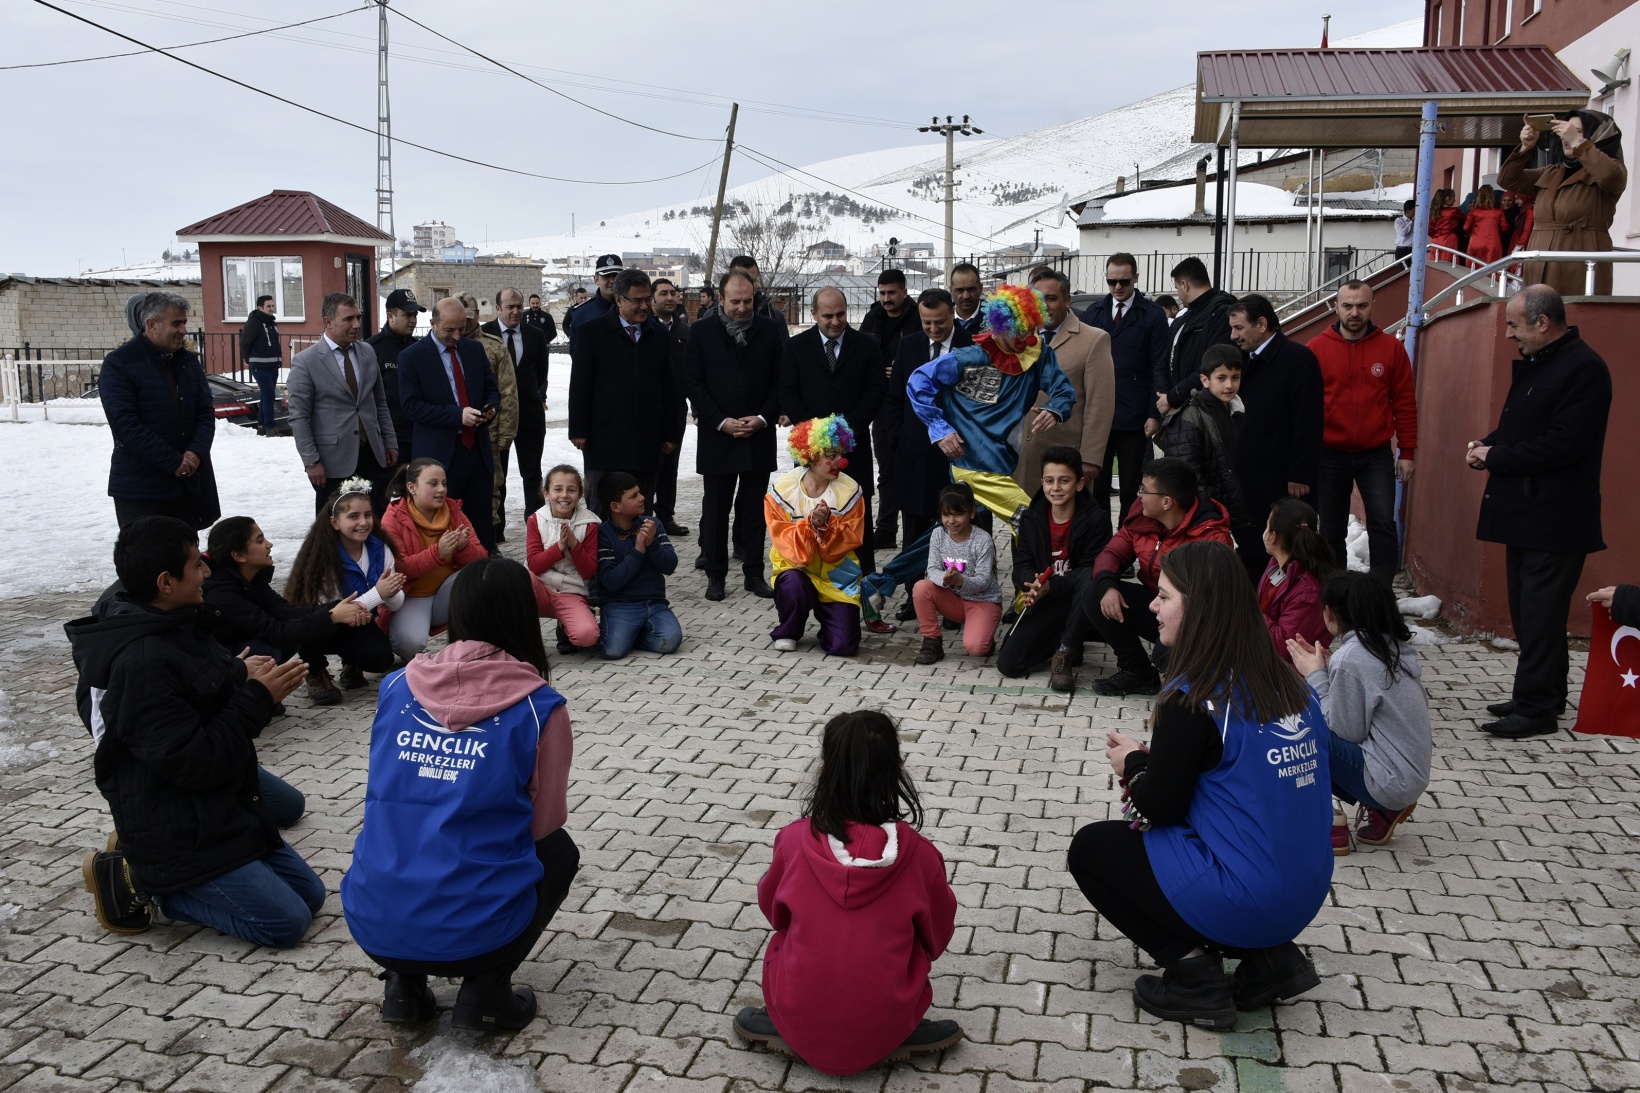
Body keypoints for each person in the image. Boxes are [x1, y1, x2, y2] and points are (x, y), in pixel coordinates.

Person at [1067, 540, 1332, 1029]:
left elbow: (1159, 809)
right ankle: (1270, 959)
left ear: (1200, 608)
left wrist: (1135, 767)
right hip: (1305, 891)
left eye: (1164, 596)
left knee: (1091, 850)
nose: (1152, 605)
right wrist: (1155, 761)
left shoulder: (1194, 698)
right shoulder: (1289, 682)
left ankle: (1194, 977)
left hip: (1251, 898)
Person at [341, 557, 578, 1032]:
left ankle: (403, 987)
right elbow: (543, 822)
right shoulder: (539, 707)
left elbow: (386, 784)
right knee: (558, 852)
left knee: (406, 830)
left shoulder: (395, 686)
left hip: (372, 918)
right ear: (522, 616)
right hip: (476, 929)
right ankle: (487, 987)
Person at [66, 516, 320, 945]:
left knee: (310, 896)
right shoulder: (143, 660)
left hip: (217, 801)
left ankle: (151, 860)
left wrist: (238, 673)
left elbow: (197, 690)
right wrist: (258, 697)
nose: (207, 571)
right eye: (196, 565)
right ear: (166, 582)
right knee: (286, 924)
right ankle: (146, 884)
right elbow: (195, 761)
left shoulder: (178, 619)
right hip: (179, 817)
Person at [734, 709, 960, 1074]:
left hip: (799, 1011)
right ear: (896, 768)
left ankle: (789, 1023)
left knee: (788, 934)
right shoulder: (920, 855)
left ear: (825, 768)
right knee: (914, 934)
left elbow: (773, 912)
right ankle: (894, 1028)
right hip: (887, 1018)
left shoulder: (792, 840)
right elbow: (937, 937)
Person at [1468, 285, 1611, 739]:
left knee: (1541, 615)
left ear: (1542, 322)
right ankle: (1543, 693)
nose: (1509, 334)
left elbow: (1565, 444)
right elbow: (1521, 428)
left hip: (1555, 517)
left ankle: (1536, 712)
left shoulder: (1583, 369)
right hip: (1527, 515)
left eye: (1514, 324)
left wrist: (1497, 457)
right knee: (1530, 613)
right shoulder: (1542, 364)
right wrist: (1488, 444)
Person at [1289, 571, 1431, 855]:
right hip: (1408, 777)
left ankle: (1329, 824)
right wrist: (1328, 671)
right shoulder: (1389, 645)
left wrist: (1316, 676)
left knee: (1298, 731)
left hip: (1390, 780)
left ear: (1332, 613)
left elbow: (1344, 731)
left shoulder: (1352, 657)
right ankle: (1383, 810)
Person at [204, 505, 397, 707]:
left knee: (377, 654)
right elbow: (276, 631)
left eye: (368, 515)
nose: (269, 544)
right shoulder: (223, 594)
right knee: (273, 646)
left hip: (248, 644)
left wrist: (342, 608)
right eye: (260, 541)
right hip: (222, 662)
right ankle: (250, 690)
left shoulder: (251, 580)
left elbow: (287, 612)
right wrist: (333, 616)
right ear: (239, 556)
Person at [1086, 458, 1233, 696]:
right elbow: (1112, 553)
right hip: (1158, 604)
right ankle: (1137, 672)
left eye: (1144, 490)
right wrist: (1107, 585)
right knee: (1095, 592)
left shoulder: (1212, 538)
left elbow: (1211, 604)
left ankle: (1198, 691)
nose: (1139, 495)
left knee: (1166, 655)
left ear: (1166, 502)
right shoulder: (1143, 518)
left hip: (1195, 622)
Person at [682, 269, 782, 602]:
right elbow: (693, 382)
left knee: (754, 510)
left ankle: (754, 573)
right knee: (716, 510)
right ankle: (716, 574)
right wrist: (721, 421)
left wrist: (764, 418)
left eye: (748, 301)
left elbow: (780, 381)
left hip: (758, 435)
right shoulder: (701, 331)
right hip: (718, 436)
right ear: (721, 299)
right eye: (735, 302)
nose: (742, 308)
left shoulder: (769, 330)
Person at [1309, 281, 1418, 586]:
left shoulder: (1391, 348)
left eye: (1361, 305)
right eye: (1348, 305)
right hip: (1329, 453)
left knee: (1383, 524)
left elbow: (1406, 402)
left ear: (1372, 306)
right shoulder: (1317, 348)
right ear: (1336, 306)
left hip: (1375, 454)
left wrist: (1407, 451)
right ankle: (1337, 598)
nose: (1354, 312)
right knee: (1330, 530)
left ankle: (1380, 596)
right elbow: (1305, 406)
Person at [781, 286, 885, 573]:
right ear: (813, 313)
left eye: (841, 314)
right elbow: (788, 392)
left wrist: (843, 432)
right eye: (828, 315)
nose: (836, 321)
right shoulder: (795, 347)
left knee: (855, 520)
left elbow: (875, 392)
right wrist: (817, 434)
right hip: (810, 452)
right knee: (810, 518)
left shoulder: (867, 346)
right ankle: (810, 583)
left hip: (853, 450)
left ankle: (865, 589)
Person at [996, 447, 1111, 691]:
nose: (1055, 488)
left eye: (1064, 480)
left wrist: (1053, 585)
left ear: (1080, 484)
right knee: (1009, 664)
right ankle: (1065, 636)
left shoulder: (1096, 518)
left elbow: (1092, 567)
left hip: (1082, 599)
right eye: (1049, 481)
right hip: (1049, 599)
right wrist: (1031, 582)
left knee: (1089, 579)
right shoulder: (1030, 518)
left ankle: (1065, 653)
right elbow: (1022, 563)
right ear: (1042, 482)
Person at [1226, 294, 1324, 578]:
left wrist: (1301, 474)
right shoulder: (1240, 361)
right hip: (1247, 476)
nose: (1233, 335)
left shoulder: (1298, 359)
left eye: (1239, 328)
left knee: (1291, 552)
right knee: (1254, 550)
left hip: (1285, 480)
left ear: (1262, 324)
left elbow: (1308, 421)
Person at [101, 291, 219, 529]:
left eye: (184, 322)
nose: (183, 330)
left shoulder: (188, 362)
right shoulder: (120, 363)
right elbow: (126, 425)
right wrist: (172, 461)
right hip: (142, 490)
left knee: (187, 560)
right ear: (151, 324)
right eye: (176, 323)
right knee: (149, 559)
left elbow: (205, 412)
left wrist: (195, 452)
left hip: (188, 486)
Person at [569, 268, 682, 513]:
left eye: (647, 300)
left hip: (646, 442)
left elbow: (669, 388)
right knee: (602, 510)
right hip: (604, 442)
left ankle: (638, 552)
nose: (644, 306)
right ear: (619, 299)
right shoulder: (592, 333)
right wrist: (578, 430)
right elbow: (580, 385)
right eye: (637, 300)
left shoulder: (659, 337)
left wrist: (671, 433)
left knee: (640, 511)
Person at [284, 479, 407, 700]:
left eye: (368, 515)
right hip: (321, 623)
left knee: (381, 658)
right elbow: (328, 607)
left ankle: (352, 662)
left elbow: (396, 603)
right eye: (353, 516)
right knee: (308, 625)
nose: (363, 522)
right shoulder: (323, 555)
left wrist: (392, 592)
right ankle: (316, 671)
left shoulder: (380, 549)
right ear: (334, 522)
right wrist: (378, 594)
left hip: (357, 621)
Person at [397, 297, 501, 552]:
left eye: (461, 329)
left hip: (476, 449)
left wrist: (490, 408)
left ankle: (483, 573)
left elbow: (491, 389)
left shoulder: (474, 350)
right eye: (449, 330)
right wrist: (457, 415)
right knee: (442, 521)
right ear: (432, 324)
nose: (457, 335)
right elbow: (411, 406)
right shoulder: (412, 357)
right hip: (439, 454)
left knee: (480, 520)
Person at [288, 293, 399, 518]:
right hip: (332, 463)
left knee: (377, 519)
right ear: (328, 322)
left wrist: (389, 441)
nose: (357, 324)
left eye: (358, 317)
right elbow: (299, 417)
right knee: (335, 525)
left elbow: (379, 402)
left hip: (373, 456)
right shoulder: (306, 361)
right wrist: (312, 461)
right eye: (348, 319)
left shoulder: (367, 352)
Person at [766, 415, 866, 657]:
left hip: (837, 574)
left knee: (844, 647)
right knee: (793, 584)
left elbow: (851, 537)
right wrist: (810, 525)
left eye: (841, 454)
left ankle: (830, 620)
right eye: (831, 456)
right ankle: (789, 629)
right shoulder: (783, 489)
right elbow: (784, 539)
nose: (839, 462)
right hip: (797, 567)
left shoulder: (851, 490)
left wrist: (825, 526)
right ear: (810, 455)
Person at [1500, 111, 1628, 294]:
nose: (1566, 137)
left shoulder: (1611, 171)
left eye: (1576, 131)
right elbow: (1507, 180)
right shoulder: (1552, 172)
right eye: (1565, 131)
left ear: (1597, 136)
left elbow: (1609, 175)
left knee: (1576, 319)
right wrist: (1525, 147)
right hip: (1539, 268)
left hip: (1578, 269)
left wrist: (1578, 143)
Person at [1083, 252, 1171, 516]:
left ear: (1136, 279)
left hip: (1134, 416)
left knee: (1132, 487)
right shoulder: (1094, 312)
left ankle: (1128, 544)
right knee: (1095, 484)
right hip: (1099, 412)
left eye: (1124, 281)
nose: (1118, 287)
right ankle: (1099, 547)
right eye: (1112, 281)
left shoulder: (1152, 314)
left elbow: (1159, 366)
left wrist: (1154, 413)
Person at [1015, 268, 1115, 497]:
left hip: (1066, 459)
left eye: (1051, 298)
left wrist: (1090, 458)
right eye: (1038, 299)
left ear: (1068, 300)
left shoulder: (1093, 339)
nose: (1045, 306)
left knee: (1065, 529)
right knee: (1023, 528)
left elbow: (1100, 405)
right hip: (1021, 458)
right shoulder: (1018, 338)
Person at [380, 458, 488, 659]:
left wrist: (464, 548)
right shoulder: (393, 517)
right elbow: (399, 568)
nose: (441, 490)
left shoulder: (453, 510)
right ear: (411, 487)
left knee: (484, 576)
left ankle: (472, 645)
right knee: (409, 645)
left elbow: (482, 558)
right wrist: (437, 553)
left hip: (446, 593)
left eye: (444, 483)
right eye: (433, 484)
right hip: (412, 597)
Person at [1157, 344, 1257, 552]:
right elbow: (1187, 475)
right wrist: (1210, 509)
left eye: (1235, 377)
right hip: (1206, 517)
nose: (1229, 385)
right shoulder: (1190, 416)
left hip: (1238, 511)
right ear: (1205, 380)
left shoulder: (1238, 410)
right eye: (1222, 378)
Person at [483, 287, 553, 539]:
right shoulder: (484, 334)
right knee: (496, 473)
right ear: (498, 308)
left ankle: (534, 524)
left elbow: (541, 374)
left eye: (519, 306)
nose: (515, 311)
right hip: (496, 417)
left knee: (532, 472)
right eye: (510, 307)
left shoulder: (535, 335)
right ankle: (496, 526)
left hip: (530, 415)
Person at [860, 269, 921, 548]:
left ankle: (918, 529)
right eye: (882, 293)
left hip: (915, 404)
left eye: (892, 293)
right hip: (883, 404)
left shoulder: (919, 317)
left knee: (913, 468)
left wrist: (903, 369)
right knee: (886, 469)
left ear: (904, 292)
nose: (886, 298)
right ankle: (885, 528)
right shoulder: (872, 318)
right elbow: (859, 353)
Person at [596, 472, 683, 659]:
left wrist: (652, 544)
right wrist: (638, 552)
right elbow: (611, 582)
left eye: (639, 492)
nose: (642, 498)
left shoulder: (653, 525)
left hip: (655, 603)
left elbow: (670, 566)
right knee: (612, 651)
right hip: (620, 605)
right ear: (615, 507)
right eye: (634, 496)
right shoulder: (603, 534)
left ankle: (631, 636)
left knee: (670, 641)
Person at [912, 482, 1002, 664]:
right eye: (946, 515)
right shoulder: (938, 534)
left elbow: (984, 581)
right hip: (953, 600)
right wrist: (944, 579)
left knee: (976, 649)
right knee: (921, 587)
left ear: (972, 513)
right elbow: (932, 570)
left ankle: (985, 636)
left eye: (958, 514)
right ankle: (932, 641)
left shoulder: (983, 539)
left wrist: (961, 580)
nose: (951, 521)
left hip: (983, 601)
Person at [455, 293, 519, 542]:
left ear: (477, 316)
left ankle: (488, 541)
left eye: (469, 319)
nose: (465, 325)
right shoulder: (444, 346)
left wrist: (506, 433)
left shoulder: (492, 347)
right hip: (454, 433)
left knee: (491, 491)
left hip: (488, 435)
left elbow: (508, 393)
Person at [526, 465, 601, 657]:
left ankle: (566, 624)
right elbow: (534, 564)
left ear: (580, 494)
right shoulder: (536, 519)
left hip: (571, 590)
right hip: (539, 587)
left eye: (571, 490)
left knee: (587, 637)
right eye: (557, 489)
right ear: (546, 493)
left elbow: (589, 571)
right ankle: (520, 636)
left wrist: (575, 545)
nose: (564, 495)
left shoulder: (590, 524)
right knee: (515, 580)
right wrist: (559, 547)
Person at [1154, 257, 1233, 428]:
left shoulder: (1222, 313)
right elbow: (1164, 360)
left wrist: (1173, 397)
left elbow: (1213, 366)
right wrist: (1164, 394)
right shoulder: (1182, 319)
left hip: (1207, 416)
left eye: (1176, 288)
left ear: (1184, 284)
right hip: (1177, 414)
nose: (1178, 295)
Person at [1259, 497, 1335, 664]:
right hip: (1267, 660)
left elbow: (1283, 646)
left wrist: (1249, 611)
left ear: (1273, 537)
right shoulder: (1275, 566)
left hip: (1293, 676)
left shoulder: (1308, 590)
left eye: (1267, 527)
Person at [650, 276, 692, 537]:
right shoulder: (644, 329)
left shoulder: (685, 332)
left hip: (675, 409)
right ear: (652, 299)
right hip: (649, 409)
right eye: (663, 293)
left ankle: (665, 515)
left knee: (670, 464)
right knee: (648, 464)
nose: (669, 298)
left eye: (673, 293)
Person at [366, 287, 426, 466]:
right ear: (390, 316)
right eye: (407, 315)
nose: (413, 320)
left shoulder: (420, 349)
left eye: (415, 315)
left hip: (419, 436)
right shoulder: (372, 349)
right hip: (390, 440)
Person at [239, 295, 282, 435]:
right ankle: (271, 427)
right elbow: (245, 342)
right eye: (268, 306)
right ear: (260, 308)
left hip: (273, 365)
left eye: (272, 306)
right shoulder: (254, 323)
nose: (271, 309)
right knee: (269, 395)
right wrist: (247, 359)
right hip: (260, 366)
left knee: (266, 396)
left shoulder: (272, 323)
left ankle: (262, 425)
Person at [568, 255, 622, 355]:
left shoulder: (634, 309)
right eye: (606, 276)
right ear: (596, 279)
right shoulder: (582, 313)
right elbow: (576, 354)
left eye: (615, 276)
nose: (612, 281)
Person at [1463, 185, 1508, 265]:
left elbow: (1466, 227)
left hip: (1476, 242)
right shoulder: (1498, 212)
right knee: (1491, 270)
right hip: (1493, 243)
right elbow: (1505, 228)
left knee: (1473, 270)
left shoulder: (1474, 212)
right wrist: (1496, 233)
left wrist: (1472, 232)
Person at [950, 261, 984, 336]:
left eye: (971, 289)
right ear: (951, 290)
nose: (966, 296)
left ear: (981, 288)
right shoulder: (940, 319)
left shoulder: (995, 319)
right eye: (959, 290)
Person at [1428, 189, 1463, 257]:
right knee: (1448, 260)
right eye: (1453, 197)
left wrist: (1437, 234)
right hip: (1449, 238)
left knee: (1436, 259)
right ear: (1448, 198)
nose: (1454, 200)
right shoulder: (1454, 211)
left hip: (1436, 239)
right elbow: (1465, 217)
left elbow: (1429, 229)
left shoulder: (1434, 211)